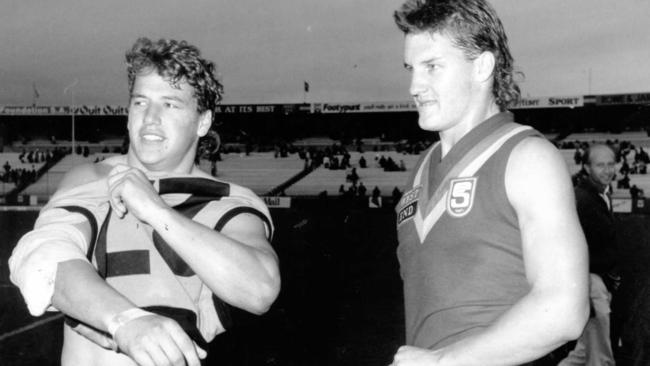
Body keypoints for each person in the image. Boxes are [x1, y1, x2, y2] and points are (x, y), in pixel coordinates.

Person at [9, 37, 281, 366]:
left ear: (203, 122)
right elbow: (43, 262)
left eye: (170, 104)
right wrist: (126, 322)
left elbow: (260, 289)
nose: (150, 118)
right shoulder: (92, 178)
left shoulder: (228, 201)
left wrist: (154, 208)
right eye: (141, 102)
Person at [391, 1, 589, 365]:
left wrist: (442, 361)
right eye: (411, 69)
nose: (415, 86)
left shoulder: (527, 157)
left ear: (482, 66)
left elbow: (564, 309)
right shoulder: (421, 168)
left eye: (432, 67)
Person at [560, 144, 619, 366]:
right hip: (589, 282)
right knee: (601, 357)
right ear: (586, 167)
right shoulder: (582, 199)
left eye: (611, 164)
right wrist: (585, 289)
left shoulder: (601, 194)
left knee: (582, 354)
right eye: (600, 165)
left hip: (597, 282)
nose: (607, 170)